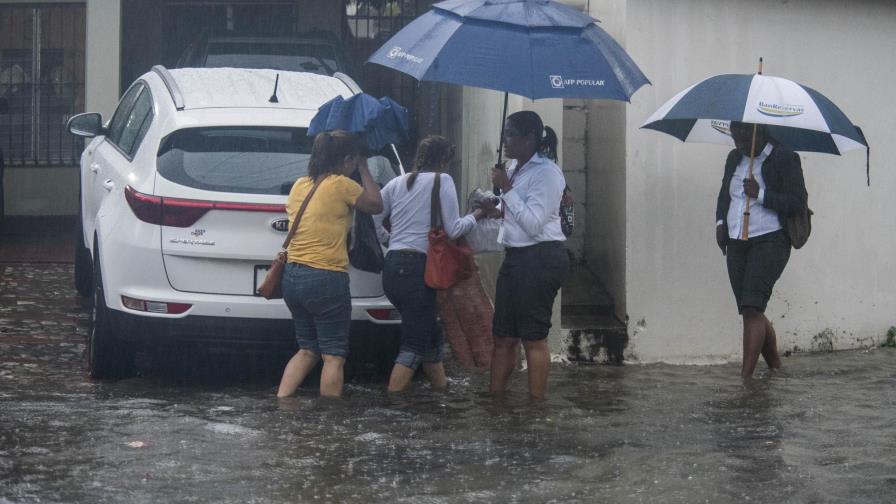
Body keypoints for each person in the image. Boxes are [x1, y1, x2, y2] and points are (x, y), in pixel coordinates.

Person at [277, 130, 383, 398]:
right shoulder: (341, 185)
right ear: (347, 160)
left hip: (292, 277)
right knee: (333, 355)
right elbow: (375, 204)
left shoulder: (299, 185)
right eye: (353, 161)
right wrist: (364, 168)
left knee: (307, 349)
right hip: (325, 277)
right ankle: (330, 418)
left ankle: (283, 403)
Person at [377, 135, 486, 392]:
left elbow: (371, 218)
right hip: (417, 271)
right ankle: (392, 402)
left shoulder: (395, 183)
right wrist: (478, 214)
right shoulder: (442, 180)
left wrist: (389, 240)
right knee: (414, 343)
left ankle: (441, 391)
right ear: (444, 159)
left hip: (392, 268)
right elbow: (454, 228)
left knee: (431, 331)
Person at [716, 121, 807, 379]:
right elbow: (724, 195)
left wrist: (761, 194)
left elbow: (797, 201)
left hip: (770, 240)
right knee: (751, 308)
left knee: (752, 309)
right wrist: (720, 223)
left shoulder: (784, 158)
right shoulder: (734, 158)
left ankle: (746, 379)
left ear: (758, 132)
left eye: (744, 138)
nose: (739, 144)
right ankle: (775, 366)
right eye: (735, 138)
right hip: (736, 240)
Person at [488, 111, 569, 400]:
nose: (505, 140)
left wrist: (507, 189)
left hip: (541, 258)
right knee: (503, 337)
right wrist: (494, 208)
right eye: (505, 133)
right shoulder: (513, 168)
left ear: (529, 138)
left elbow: (534, 224)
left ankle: (536, 407)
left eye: (510, 134)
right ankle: (496, 401)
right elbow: (513, 211)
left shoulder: (547, 173)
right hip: (515, 258)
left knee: (533, 338)